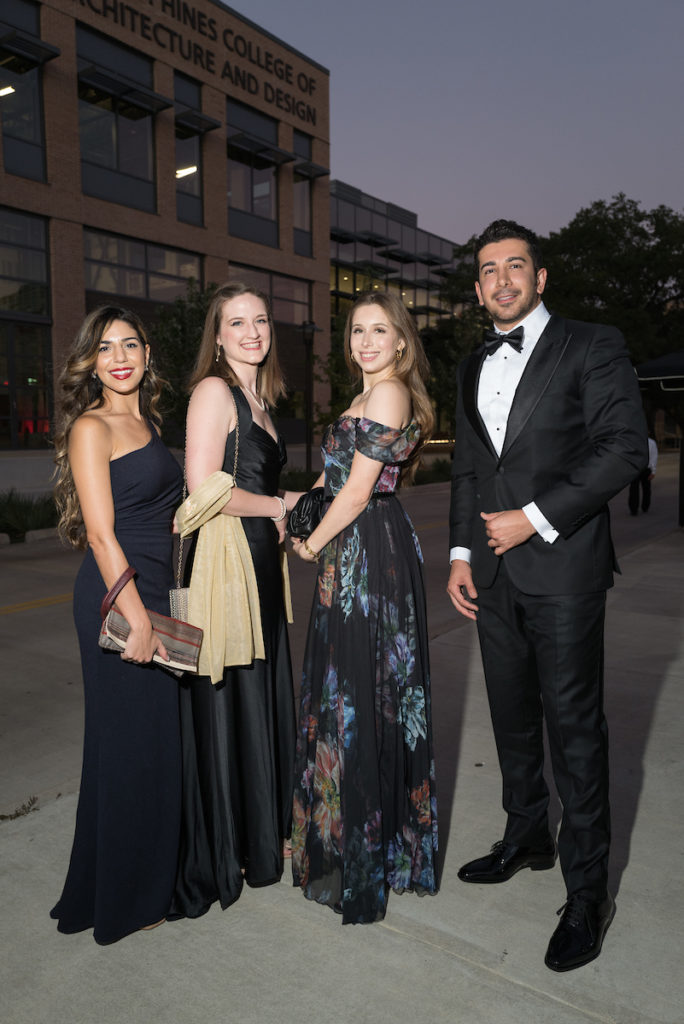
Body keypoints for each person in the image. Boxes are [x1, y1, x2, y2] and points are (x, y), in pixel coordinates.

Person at [447, 220, 648, 971]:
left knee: (575, 732)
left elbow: (624, 447)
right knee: (512, 721)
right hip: (492, 579)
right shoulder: (471, 362)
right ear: (477, 288)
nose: (501, 279)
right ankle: (526, 835)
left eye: (515, 266)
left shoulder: (592, 343)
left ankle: (588, 894)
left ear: (540, 277)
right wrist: (462, 552)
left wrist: (532, 520)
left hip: (563, 572)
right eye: (489, 270)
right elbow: (470, 466)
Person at [291, 291, 439, 924]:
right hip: (349, 550)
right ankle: (345, 842)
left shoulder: (389, 392)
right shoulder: (360, 397)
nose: (368, 341)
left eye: (381, 330)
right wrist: (288, 510)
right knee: (343, 691)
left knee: (361, 693)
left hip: (368, 551)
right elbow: (329, 480)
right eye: (358, 331)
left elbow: (354, 492)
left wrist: (312, 544)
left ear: (402, 341)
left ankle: (367, 859)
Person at [50, 306, 183, 944]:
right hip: (117, 598)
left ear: (148, 354)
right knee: (130, 749)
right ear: (91, 361)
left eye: (130, 344)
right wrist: (139, 622)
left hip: (152, 590)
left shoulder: (146, 420)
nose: (121, 357)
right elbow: (101, 536)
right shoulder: (92, 427)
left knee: (145, 748)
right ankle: (126, 900)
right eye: (106, 349)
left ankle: (115, 885)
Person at [169, 283, 296, 919]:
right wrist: (280, 505)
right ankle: (226, 847)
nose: (251, 332)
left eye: (261, 320)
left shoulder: (263, 400)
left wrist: (284, 510)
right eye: (236, 322)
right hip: (224, 565)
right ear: (216, 336)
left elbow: (254, 482)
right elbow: (202, 487)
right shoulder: (215, 391)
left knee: (258, 691)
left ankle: (257, 837)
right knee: (228, 696)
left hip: (261, 565)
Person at [628, 436, 658, 514]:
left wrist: (653, 471)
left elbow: (653, 457)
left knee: (636, 489)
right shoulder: (651, 442)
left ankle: (635, 509)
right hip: (643, 468)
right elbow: (654, 457)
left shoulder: (634, 441)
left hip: (637, 468)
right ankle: (644, 507)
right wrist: (653, 471)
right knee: (644, 489)